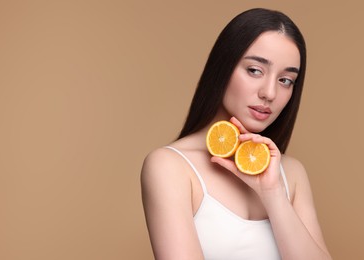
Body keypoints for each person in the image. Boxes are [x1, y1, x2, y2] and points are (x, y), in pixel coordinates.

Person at [141, 8, 332, 260]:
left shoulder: (291, 173)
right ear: (223, 67)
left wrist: (273, 193)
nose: (270, 93)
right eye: (255, 70)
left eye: (285, 80)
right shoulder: (170, 166)